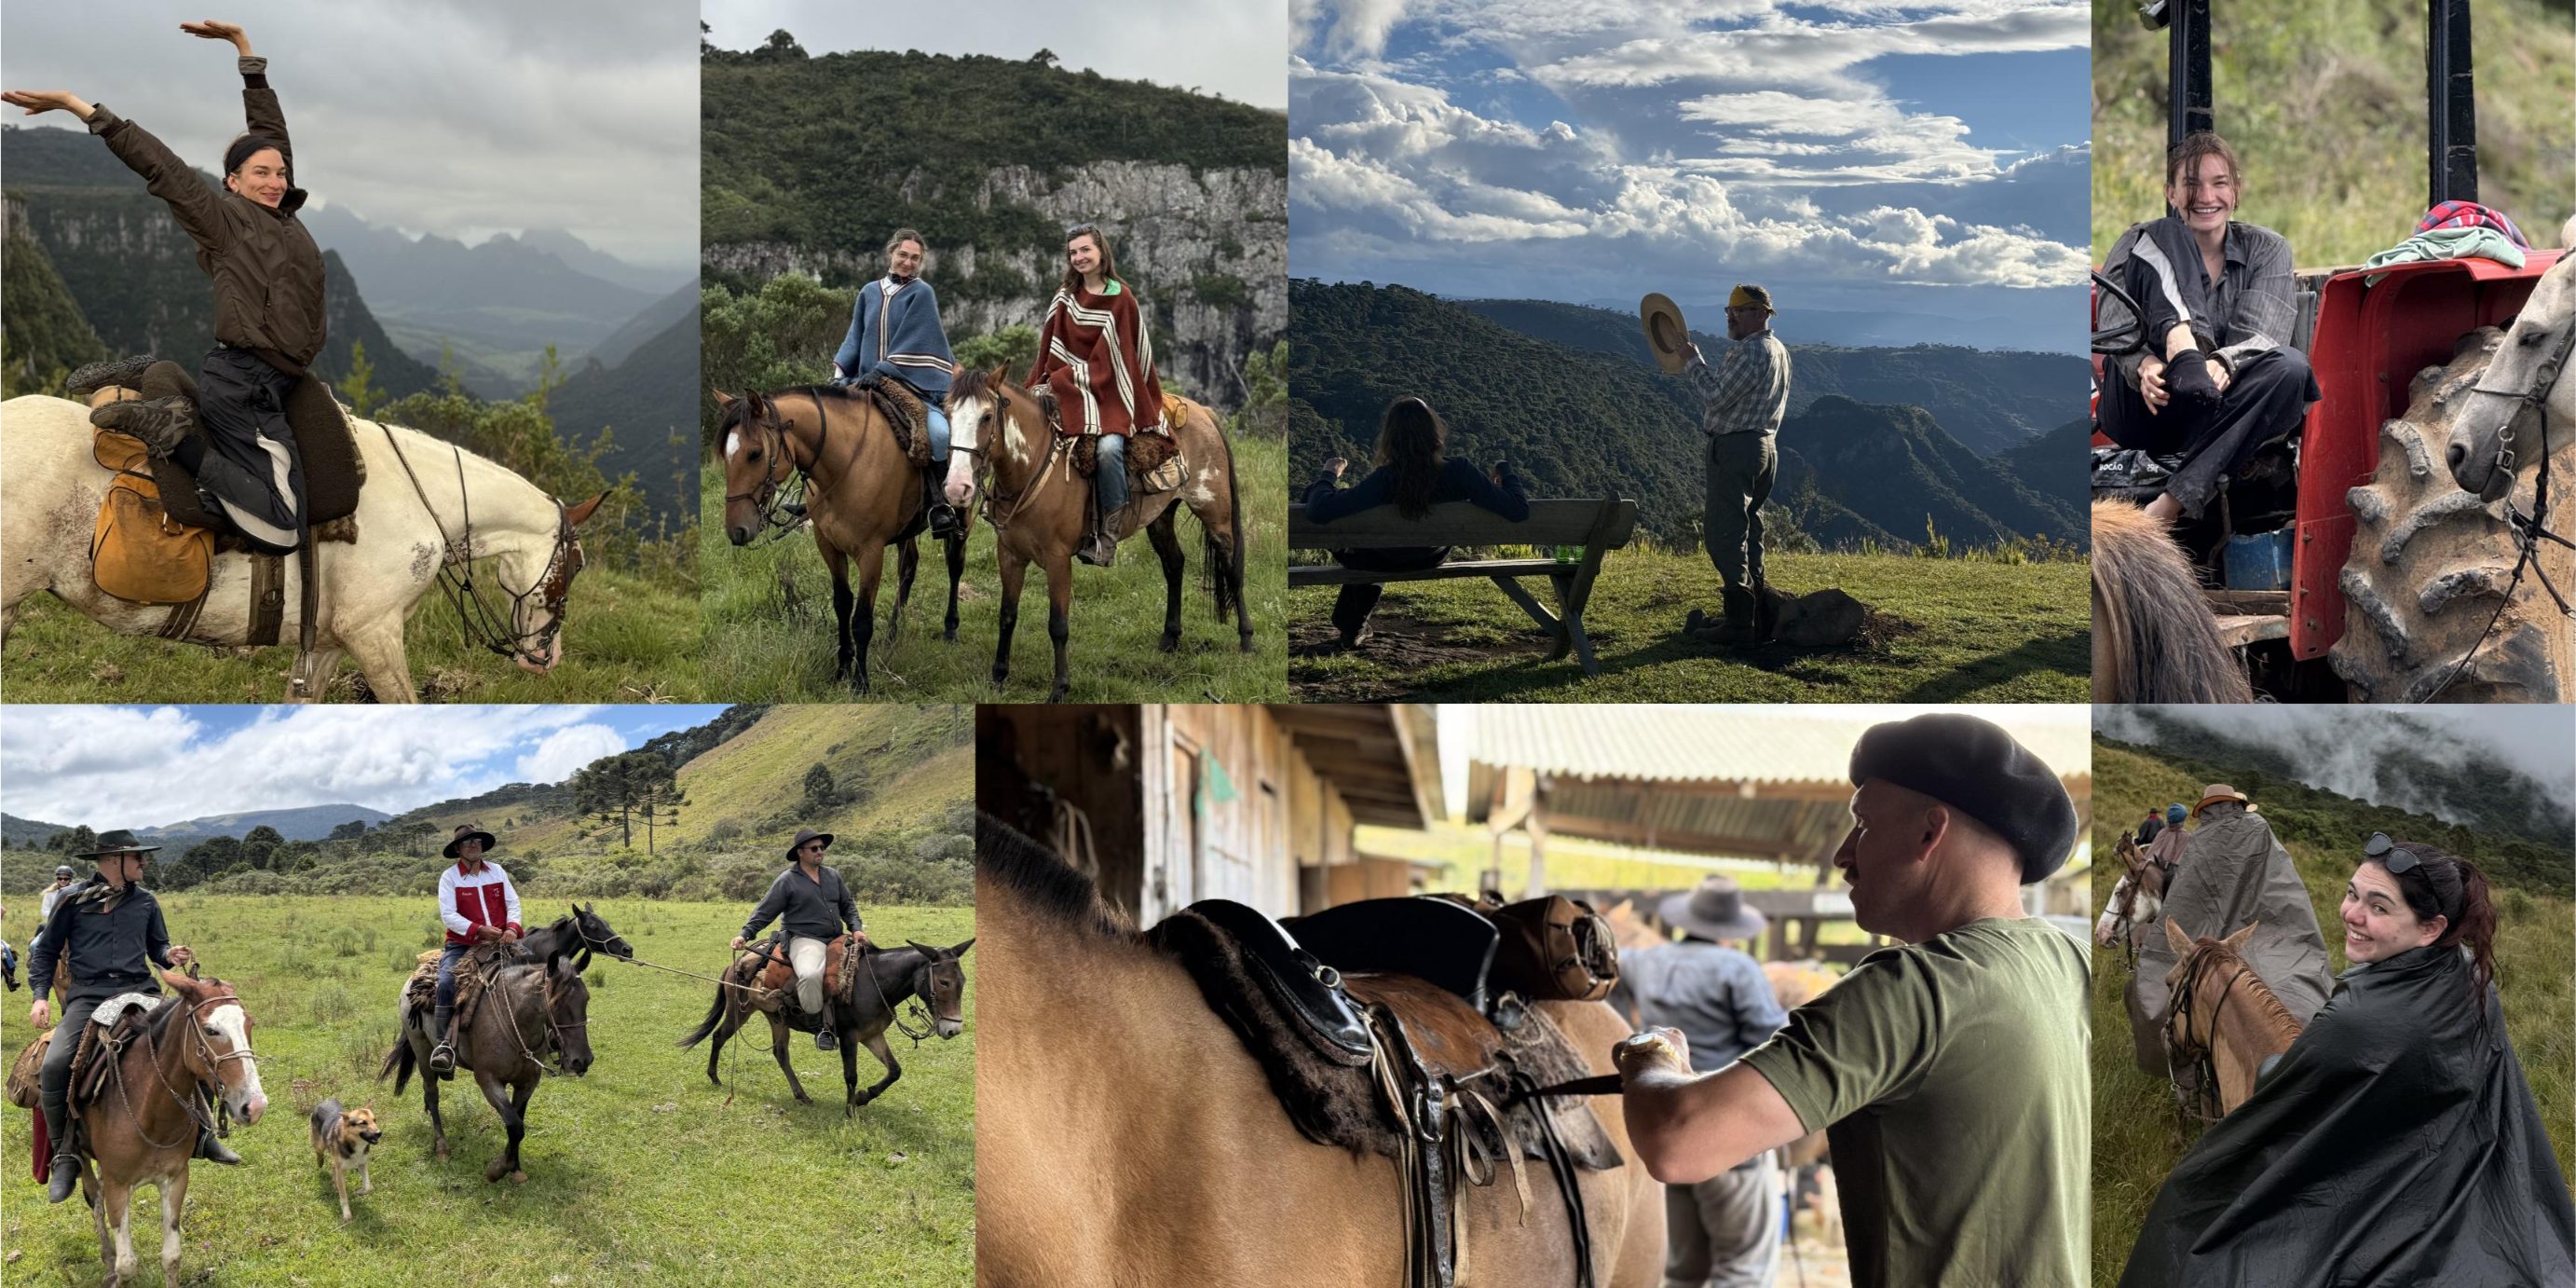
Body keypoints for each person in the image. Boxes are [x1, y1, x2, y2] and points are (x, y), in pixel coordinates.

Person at [1614, 713, 2086, 1287]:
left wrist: (1649, 1051)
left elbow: (1675, 1142)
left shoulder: (1912, 987)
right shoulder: (2073, 963)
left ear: (1928, 833)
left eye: (1861, 825)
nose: (1843, 853)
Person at [2120, 837, 2573, 1286]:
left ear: (2431, 928)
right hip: (2470, 1181)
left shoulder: (2355, 1019)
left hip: (2390, 1206)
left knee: (2193, 1220)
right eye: (2352, 893)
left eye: (2379, 907)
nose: (2352, 914)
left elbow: (2285, 1099)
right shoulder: (2472, 972)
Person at [5, 21, 324, 553]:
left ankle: (151, 376)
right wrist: (80, 107)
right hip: (247, 384)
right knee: (285, 527)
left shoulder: (283, 214)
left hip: (274, 380)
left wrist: (245, 52)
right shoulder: (223, 222)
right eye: (261, 173)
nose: (275, 181)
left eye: (280, 173)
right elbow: (162, 167)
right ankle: (172, 438)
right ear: (232, 182)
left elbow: (271, 131)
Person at [2097, 132, 2320, 526]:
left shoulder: (2267, 249)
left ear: (2236, 191)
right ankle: (2182, 348)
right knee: (2163, 234)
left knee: (2291, 367)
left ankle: (2169, 506)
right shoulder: (2138, 242)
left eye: (2219, 183)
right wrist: (2144, 363)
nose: (2206, 196)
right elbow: (2114, 322)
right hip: (2149, 399)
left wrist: (2225, 361)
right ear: (2171, 193)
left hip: (2220, 407)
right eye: (2191, 184)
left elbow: (2262, 333)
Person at [26, 830, 229, 1205]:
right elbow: (45, 952)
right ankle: (66, 1156)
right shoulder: (71, 901)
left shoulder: (147, 903)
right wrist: (41, 997)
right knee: (54, 1065)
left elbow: (157, 948)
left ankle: (201, 1134)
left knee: (193, 1041)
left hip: (141, 990)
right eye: (137, 857)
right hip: (89, 995)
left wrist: (171, 955)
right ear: (113, 860)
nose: (144, 863)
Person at [1615, 876, 1789, 1288]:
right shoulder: (1738, 968)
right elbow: (1776, 1041)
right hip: (1731, 1134)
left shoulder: (1645, 961)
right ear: (1731, 931)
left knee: (1682, 1270)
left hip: (1669, 1127)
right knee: (1743, 1268)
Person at [2124, 784, 2330, 1080]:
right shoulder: (2259, 829)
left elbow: (2184, 901)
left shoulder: (2203, 838)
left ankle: (2184, 1072)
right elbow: (2285, 893)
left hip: (2205, 935)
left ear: (2205, 809)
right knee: (2299, 980)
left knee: (2149, 986)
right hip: (2267, 937)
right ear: (2237, 804)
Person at [1300, 396, 1531, 650]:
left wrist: (1328, 475)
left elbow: (1319, 511)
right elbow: (1518, 510)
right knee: (1367, 548)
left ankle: (1351, 625)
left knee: (1322, 501)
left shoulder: (1385, 478)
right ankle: (1352, 624)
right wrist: (1504, 470)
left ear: (1390, 437)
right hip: (1430, 556)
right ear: (1434, 432)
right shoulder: (1460, 471)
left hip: (1379, 559)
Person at [1028, 223, 1165, 568]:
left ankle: (1108, 535)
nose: (1079, 257)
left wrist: (1071, 377)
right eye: (1073, 252)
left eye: (1085, 250)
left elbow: (1121, 360)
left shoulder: (1121, 297)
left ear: (1101, 251)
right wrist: (1046, 380)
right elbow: (1050, 347)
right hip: (1065, 387)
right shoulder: (1064, 296)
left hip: (1111, 393)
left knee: (1108, 450)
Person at [1670, 285, 1791, 645]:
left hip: (1737, 447)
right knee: (1750, 528)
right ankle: (1754, 613)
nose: (1730, 316)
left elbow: (1714, 396)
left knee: (1724, 533)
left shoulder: (1752, 351)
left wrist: (1692, 360)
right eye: (1729, 309)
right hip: (1765, 446)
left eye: (1737, 310)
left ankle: (1739, 624)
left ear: (1760, 313)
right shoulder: (1779, 350)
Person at [834, 227, 963, 540]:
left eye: (915, 258)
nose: (908, 262)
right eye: (903, 255)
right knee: (824, 425)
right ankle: (816, 500)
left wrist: (885, 369)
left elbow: (919, 340)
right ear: (891, 254)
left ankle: (939, 506)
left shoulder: (922, 293)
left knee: (939, 432)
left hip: (910, 384)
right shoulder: (868, 292)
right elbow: (856, 335)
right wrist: (840, 376)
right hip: (865, 382)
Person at [732, 829, 866, 1051]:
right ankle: (819, 1028)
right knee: (810, 975)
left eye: (822, 848)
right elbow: (764, 912)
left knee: (869, 966)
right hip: (805, 939)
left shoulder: (833, 876)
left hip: (837, 937)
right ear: (800, 853)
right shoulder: (787, 880)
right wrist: (744, 934)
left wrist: (857, 929)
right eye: (814, 848)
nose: (820, 852)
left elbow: (847, 906)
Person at [429, 823, 521, 1075]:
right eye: (468, 842)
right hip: (463, 944)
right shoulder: (450, 877)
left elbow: (512, 902)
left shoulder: (497, 871)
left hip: (502, 940)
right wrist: (479, 930)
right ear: (458, 848)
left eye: (477, 841)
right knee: (447, 982)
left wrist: (512, 928)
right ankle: (444, 1045)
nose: (473, 845)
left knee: (538, 973)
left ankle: (549, 1037)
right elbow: (449, 915)